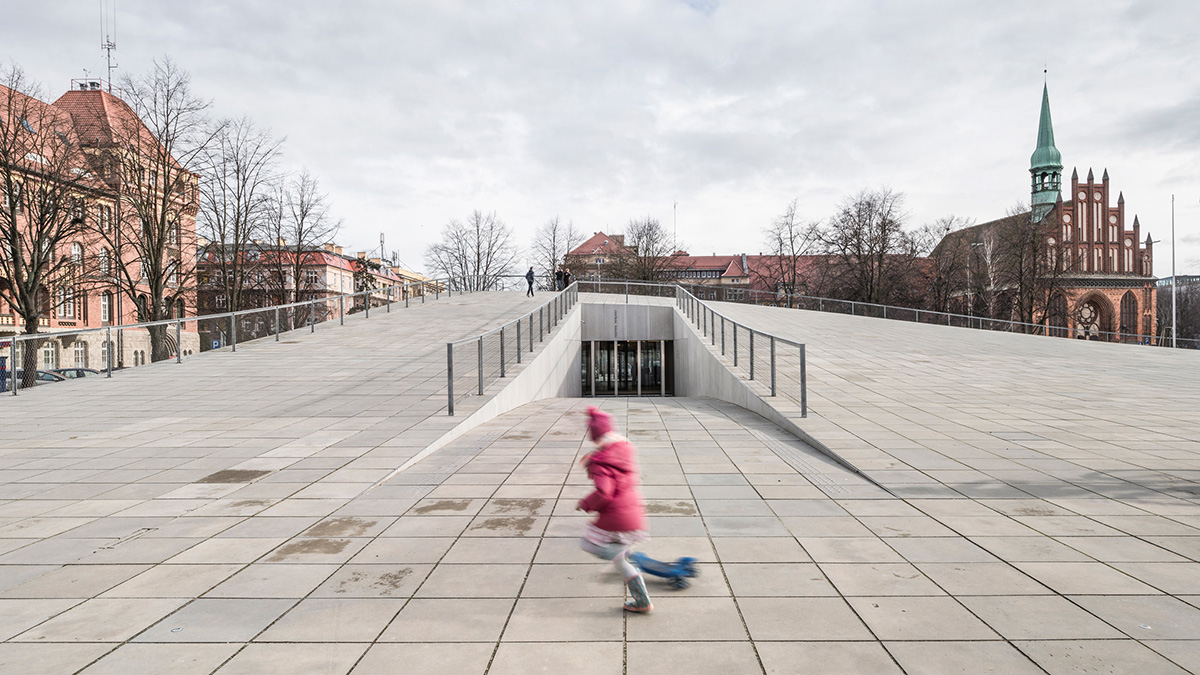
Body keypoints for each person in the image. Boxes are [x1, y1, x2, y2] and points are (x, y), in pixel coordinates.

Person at [577, 406, 652, 613]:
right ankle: (642, 601)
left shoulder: (601, 462)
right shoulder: (624, 451)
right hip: (633, 514)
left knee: (588, 543)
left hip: (616, 518)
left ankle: (618, 553)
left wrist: (585, 503)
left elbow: (604, 492)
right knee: (621, 562)